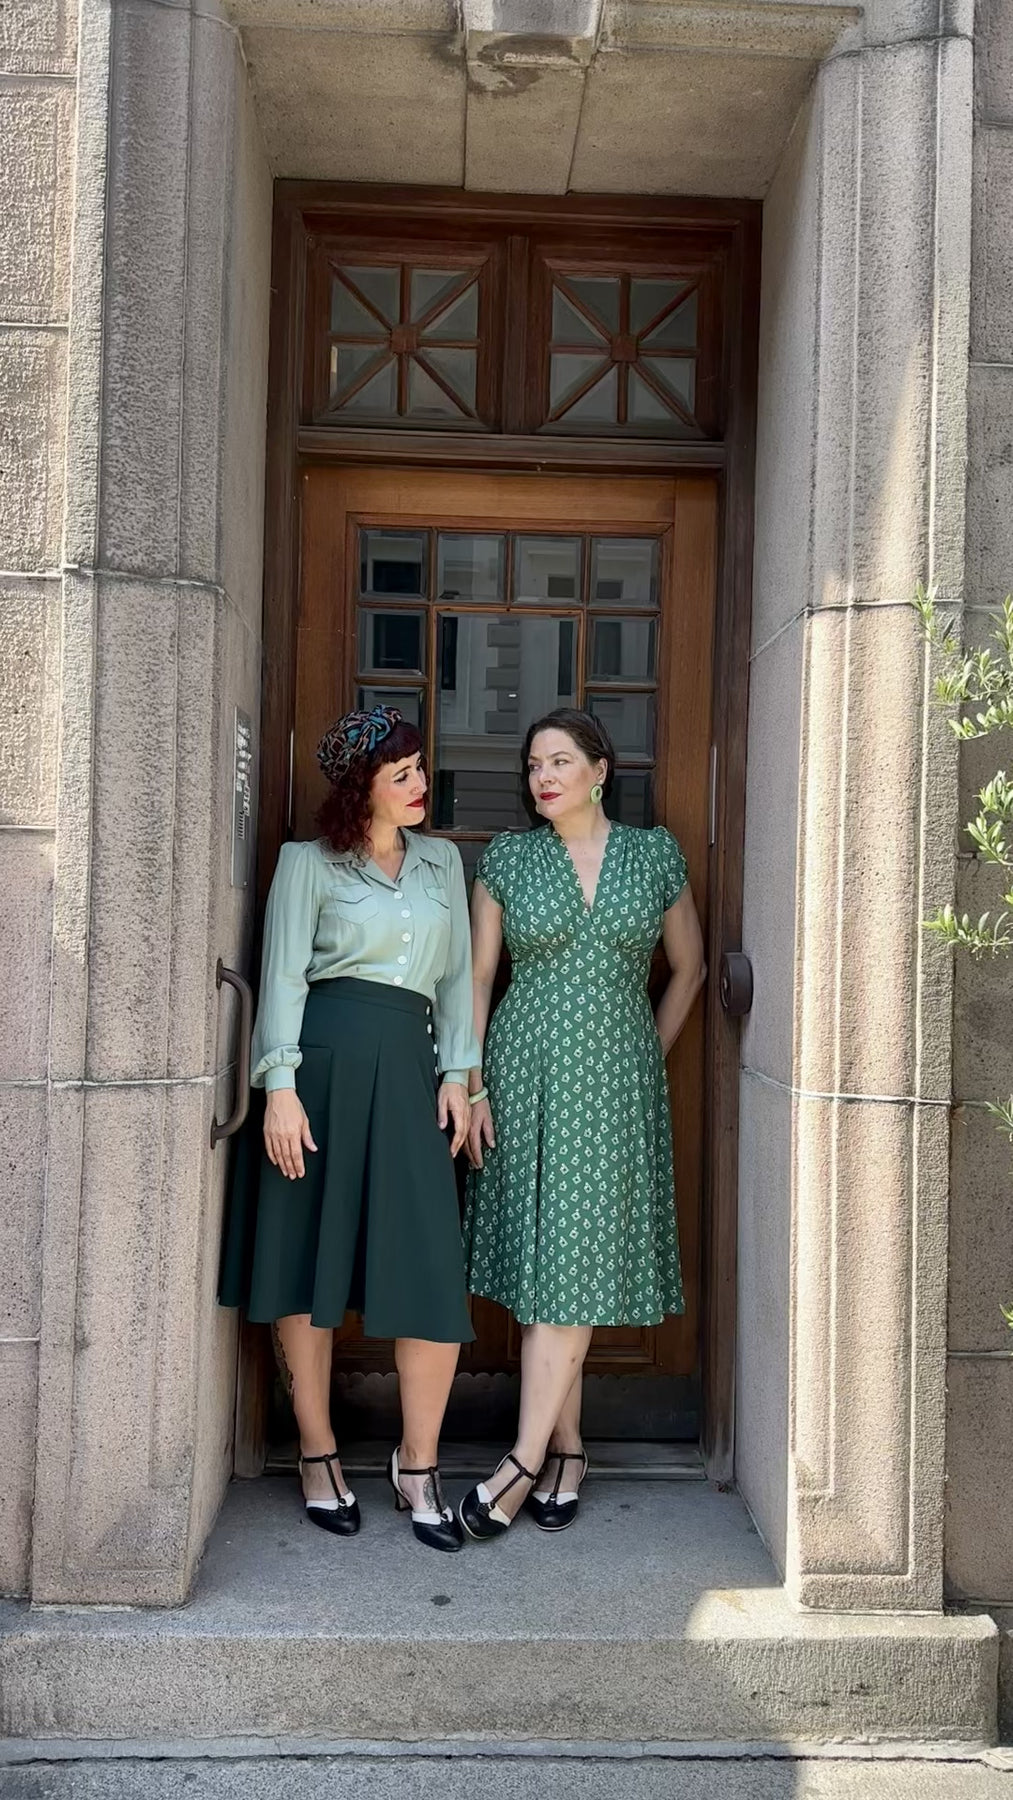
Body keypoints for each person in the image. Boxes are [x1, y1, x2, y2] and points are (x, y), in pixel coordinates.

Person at [220, 706, 478, 1552]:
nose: (419, 784)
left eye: (419, 767)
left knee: (430, 1273)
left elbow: (455, 984)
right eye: (400, 774)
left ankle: (419, 1464)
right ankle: (317, 1451)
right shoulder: (307, 863)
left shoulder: (442, 862)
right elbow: (283, 977)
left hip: (410, 1074)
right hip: (321, 1076)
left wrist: (456, 1075)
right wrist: (279, 1088)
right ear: (359, 787)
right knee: (308, 1265)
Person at [458, 708, 706, 1539]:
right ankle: (563, 1451)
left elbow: (689, 968)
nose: (543, 777)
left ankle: (521, 1462)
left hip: (614, 1087)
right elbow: (480, 977)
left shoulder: (653, 855)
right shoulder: (508, 859)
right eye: (534, 766)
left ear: (600, 771)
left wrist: (644, 1054)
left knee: (575, 1257)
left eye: (559, 761)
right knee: (546, 1262)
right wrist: (472, 1083)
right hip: (524, 1074)